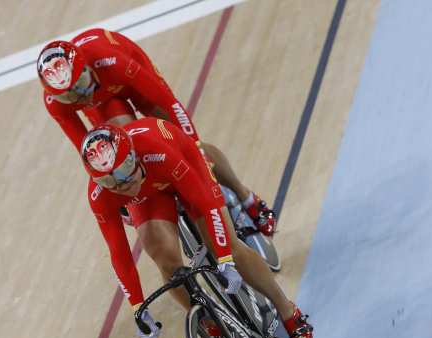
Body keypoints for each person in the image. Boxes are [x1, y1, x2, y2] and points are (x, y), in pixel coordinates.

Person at [81, 119, 312, 338]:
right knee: (167, 264)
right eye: (109, 179)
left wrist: (225, 259)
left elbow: (206, 204)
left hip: (181, 164)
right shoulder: (100, 195)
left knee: (228, 247)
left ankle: (286, 310)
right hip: (148, 193)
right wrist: (138, 308)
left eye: (123, 169)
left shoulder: (157, 151)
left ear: (134, 155)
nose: (120, 184)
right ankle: (210, 325)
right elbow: (119, 254)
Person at [37, 30, 275, 236]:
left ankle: (247, 198)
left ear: (86, 67)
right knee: (120, 151)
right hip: (106, 103)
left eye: (80, 84)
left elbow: (167, 101)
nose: (79, 96)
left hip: (131, 79)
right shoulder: (55, 103)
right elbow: (85, 147)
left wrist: (193, 144)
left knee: (190, 146)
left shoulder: (110, 59)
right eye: (69, 95)